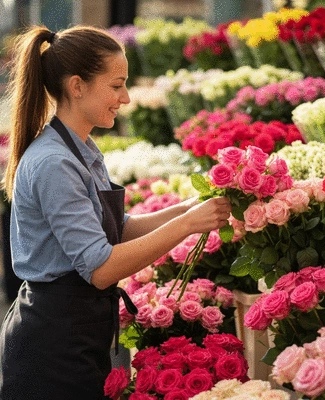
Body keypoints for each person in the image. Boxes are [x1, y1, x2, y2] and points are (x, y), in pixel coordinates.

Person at [0, 25, 231, 400]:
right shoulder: (54, 162)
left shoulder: (81, 148)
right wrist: (189, 224)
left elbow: (116, 230)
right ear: (77, 86)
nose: (125, 98)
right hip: (53, 346)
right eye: (116, 84)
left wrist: (190, 206)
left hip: (75, 331)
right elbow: (100, 268)